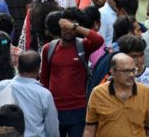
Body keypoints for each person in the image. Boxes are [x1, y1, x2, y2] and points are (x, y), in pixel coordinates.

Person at [40, 8, 104, 137]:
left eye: (72, 28)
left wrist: (75, 26)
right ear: (60, 24)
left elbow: (99, 40)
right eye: (65, 26)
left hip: (78, 109)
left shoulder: (83, 46)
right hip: (54, 108)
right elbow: (44, 79)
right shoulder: (49, 48)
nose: (68, 30)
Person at [0, 51, 58, 137]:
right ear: (39, 69)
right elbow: (52, 129)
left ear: (18, 67)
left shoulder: (4, 86)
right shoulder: (44, 95)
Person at [83, 53, 149, 137]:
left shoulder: (145, 92)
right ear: (113, 72)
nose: (131, 75)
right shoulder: (98, 93)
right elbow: (90, 128)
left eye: (133, 70)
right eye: (125, 71)